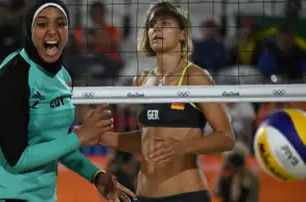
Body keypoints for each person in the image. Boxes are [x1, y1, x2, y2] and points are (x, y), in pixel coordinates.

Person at [0, 0, 134, 201]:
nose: (52, 31)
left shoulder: (63, 77)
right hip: (3, 195)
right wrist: (80, 137)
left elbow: (59, 145)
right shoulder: (11, 76)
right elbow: (18, 158)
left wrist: (96, 176)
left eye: (60, 24)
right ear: (30, 30)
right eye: (42, 24)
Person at [98, 1, 235, 202]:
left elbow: (226, 138)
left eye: (165, 23)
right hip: (144, 195)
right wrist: (100, 137)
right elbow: (146, 141)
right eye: (152, 25)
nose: (156, 28)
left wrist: (182, 146)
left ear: (182, 34)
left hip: (186, 194)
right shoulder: (142, 81)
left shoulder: (194, 77)